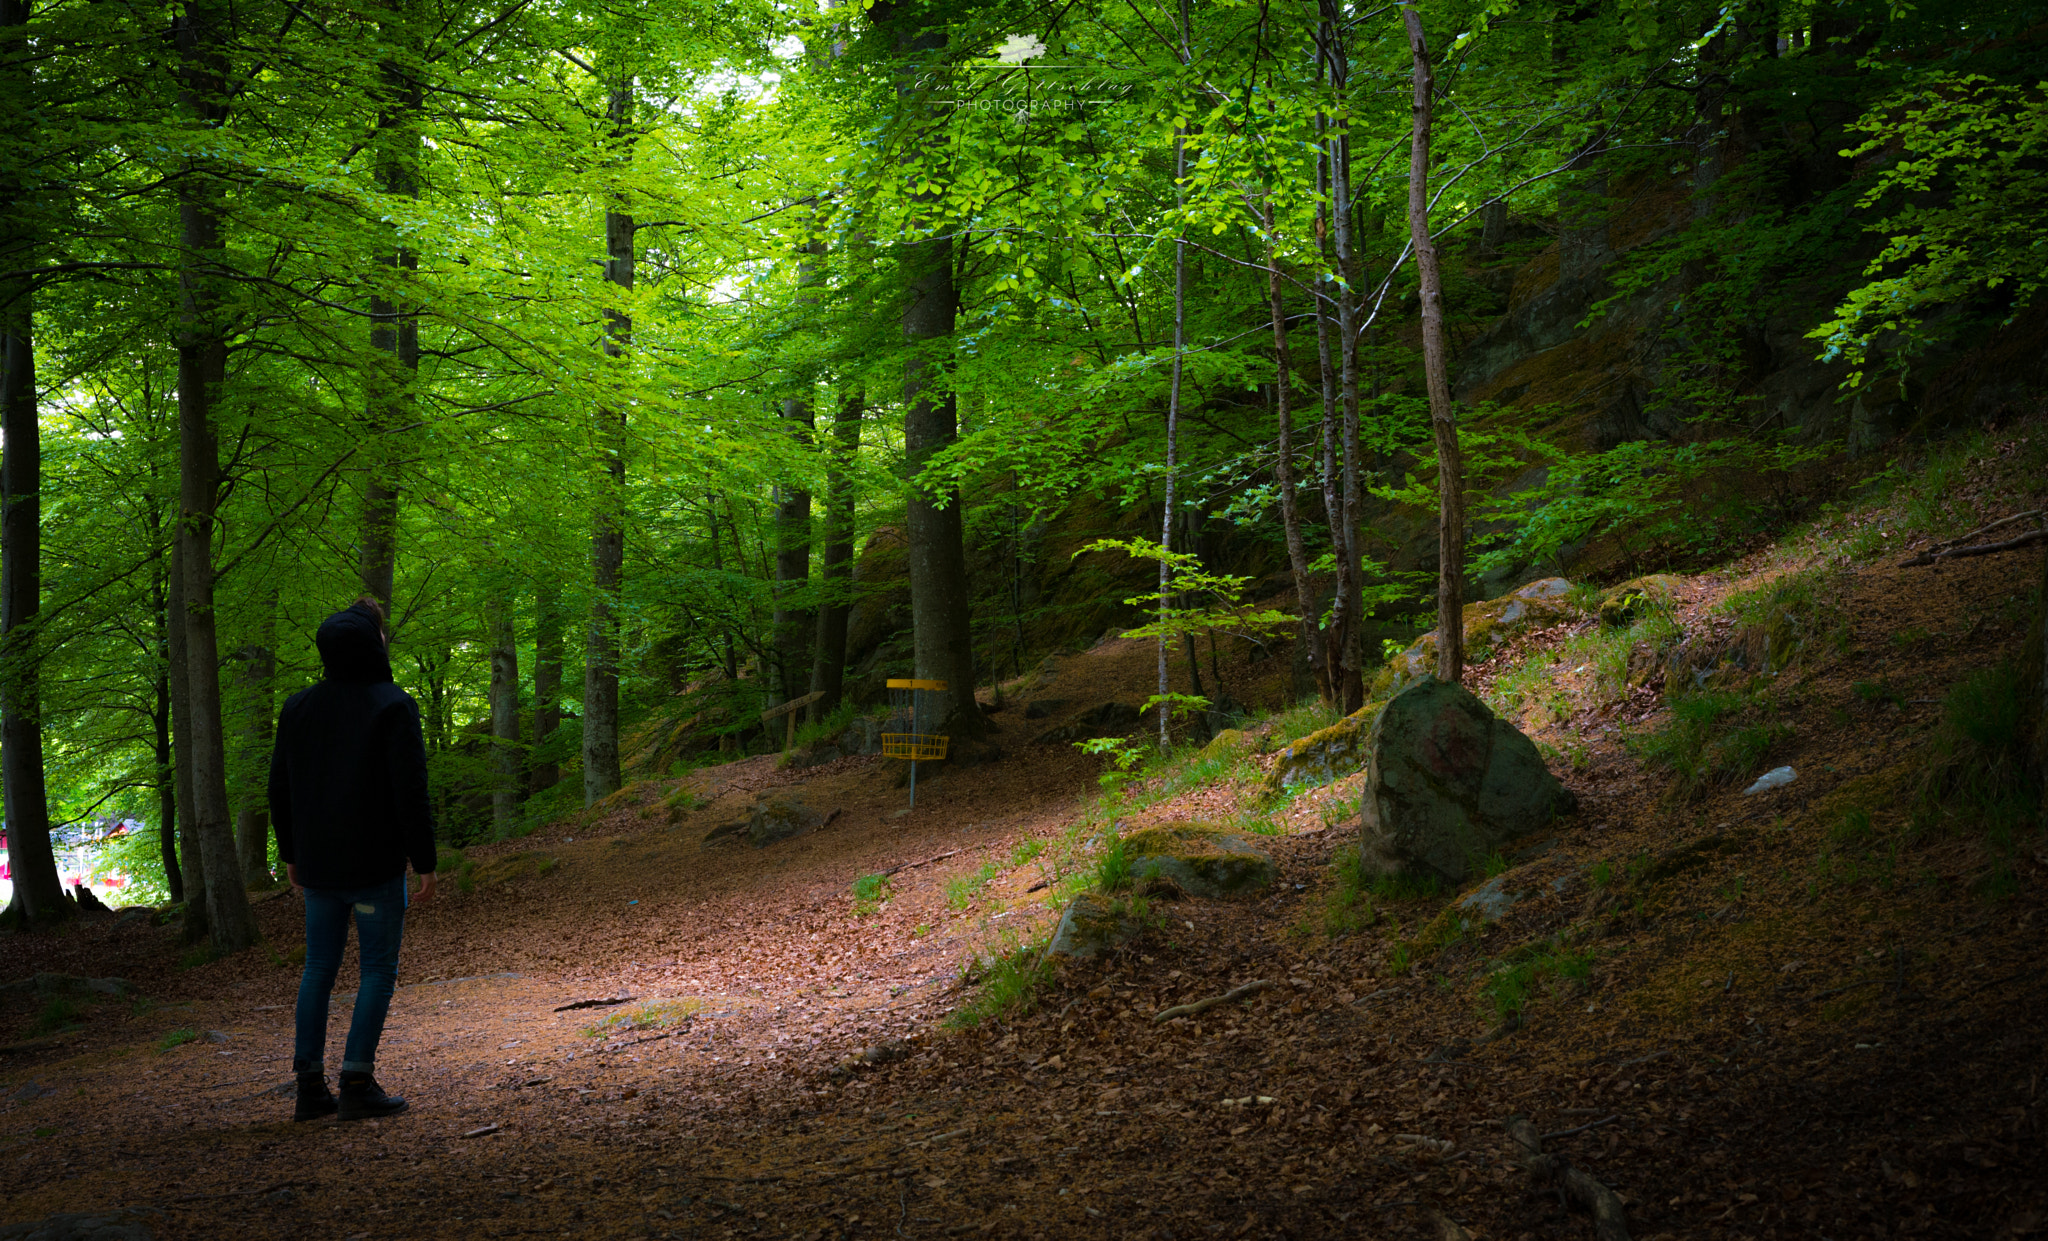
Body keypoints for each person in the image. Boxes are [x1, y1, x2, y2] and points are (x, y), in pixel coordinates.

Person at [270, 596, 437, 1122]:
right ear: (375, 643)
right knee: (376, 971)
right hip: (374, 870)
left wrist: (291, 854)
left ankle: (310, 1088)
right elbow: (409, 789)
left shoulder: (298, 706)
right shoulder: (392, 704)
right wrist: (424, 858)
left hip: (319, 868)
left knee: (318, 968)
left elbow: (280, 788)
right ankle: (357, 1083)